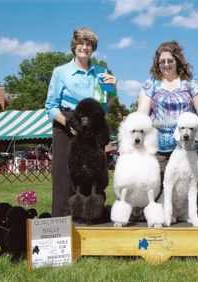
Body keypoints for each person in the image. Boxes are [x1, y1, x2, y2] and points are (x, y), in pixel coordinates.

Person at [45, 28, 117, 217]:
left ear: (93, 49)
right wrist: (68, 124)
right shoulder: (61, 72)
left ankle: (93, 218)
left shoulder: (102, 73)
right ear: (74, 46)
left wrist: (114, 91)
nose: (84, 47)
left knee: (95, 175)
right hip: (66, 123)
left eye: (89, 44)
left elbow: (103, 109)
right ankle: (62, 222)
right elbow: (51, 106)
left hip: (92, 127)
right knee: (64, 176)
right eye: (81, 43)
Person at [138, 40, 198, 190]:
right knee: (160, 190)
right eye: (161, 61)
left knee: (188, 190)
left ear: (177, 61)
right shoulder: (150, 84)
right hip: (158, 149)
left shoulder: (191, 83)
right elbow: (142, 114)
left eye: (170, 60)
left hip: (188, 148)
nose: (166, 64)